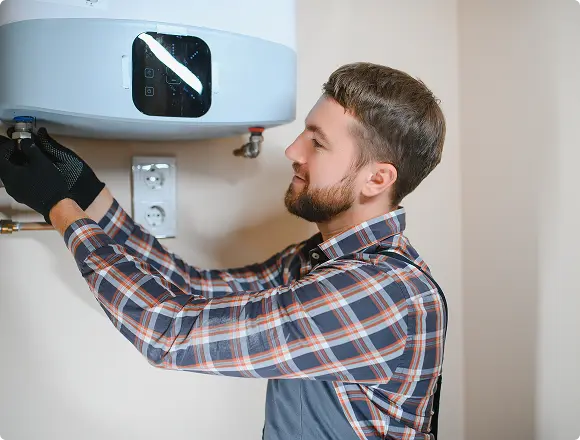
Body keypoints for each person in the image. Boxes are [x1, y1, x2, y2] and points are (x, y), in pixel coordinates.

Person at [0, 62, 448, 440]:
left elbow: (168, 333)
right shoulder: (324, 261)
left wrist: (58, 208)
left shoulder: (380, 293)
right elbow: (191, 287)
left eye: (318, 141)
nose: (293, 150)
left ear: (377, 179)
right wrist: (85, 192)